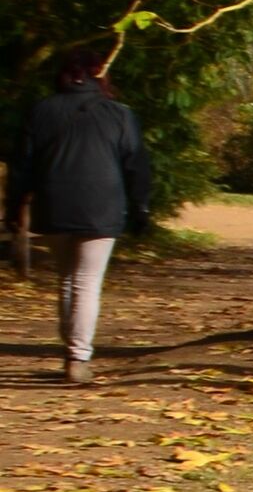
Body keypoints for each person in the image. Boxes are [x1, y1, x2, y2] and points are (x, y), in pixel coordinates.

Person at [11, 51, 157, 386]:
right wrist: (141, 207)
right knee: (87, 282)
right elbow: (136, 164)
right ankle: (78, 357)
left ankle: (72, 350)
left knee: (67, 280)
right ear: (99, 77)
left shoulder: (42, 110)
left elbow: (22, 166)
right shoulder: (119, 114)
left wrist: (15, 207)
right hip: (102, 204)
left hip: (54, 203)